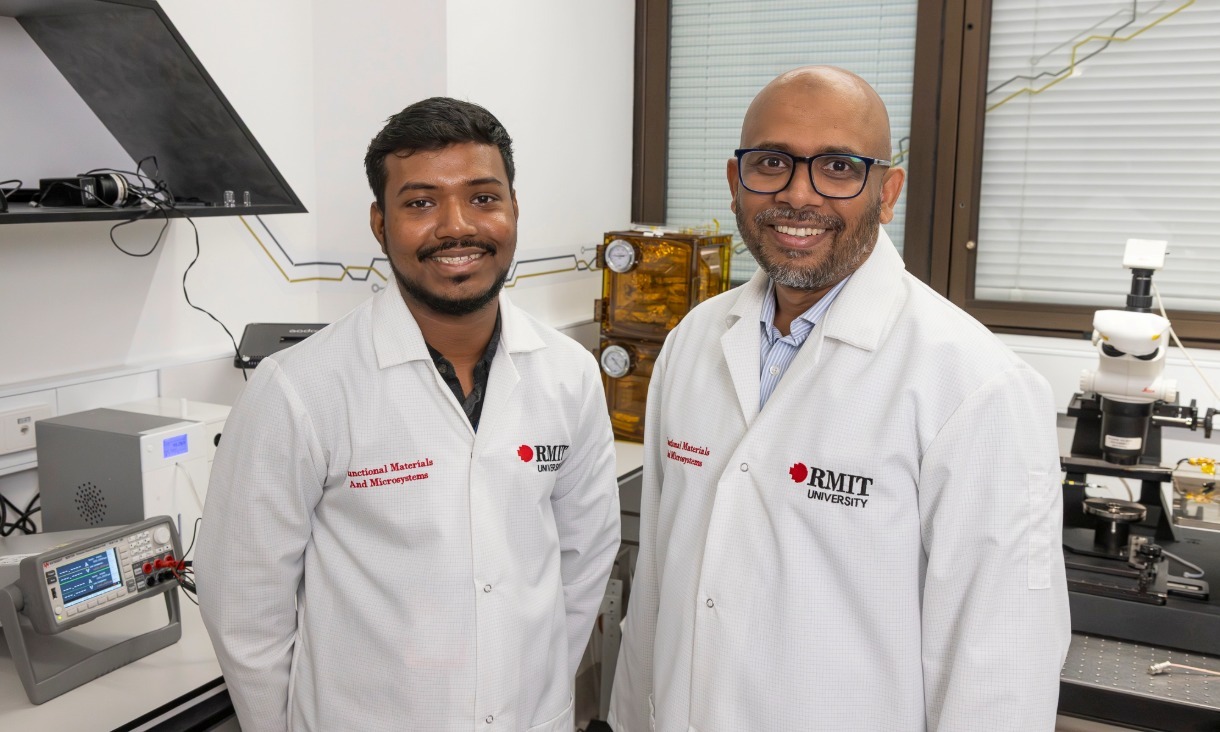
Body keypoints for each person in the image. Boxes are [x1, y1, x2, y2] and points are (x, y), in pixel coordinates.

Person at [609, 66, 1070, 731]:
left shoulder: (975, 385)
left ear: (887, 192)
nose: (799, 195)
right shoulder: (692, 343)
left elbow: (999, 667)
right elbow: (654, 584)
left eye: (838, 167)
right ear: (736, 182)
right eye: (771, 163)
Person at [196, 97, 620, 732]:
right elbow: (245, 606)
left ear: (512, 209)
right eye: (420, 203)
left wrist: (533, 686)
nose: (457, 226)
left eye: (483, 197)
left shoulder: (568, 372)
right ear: (379, 222)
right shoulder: (297, 390)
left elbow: (584, 558)